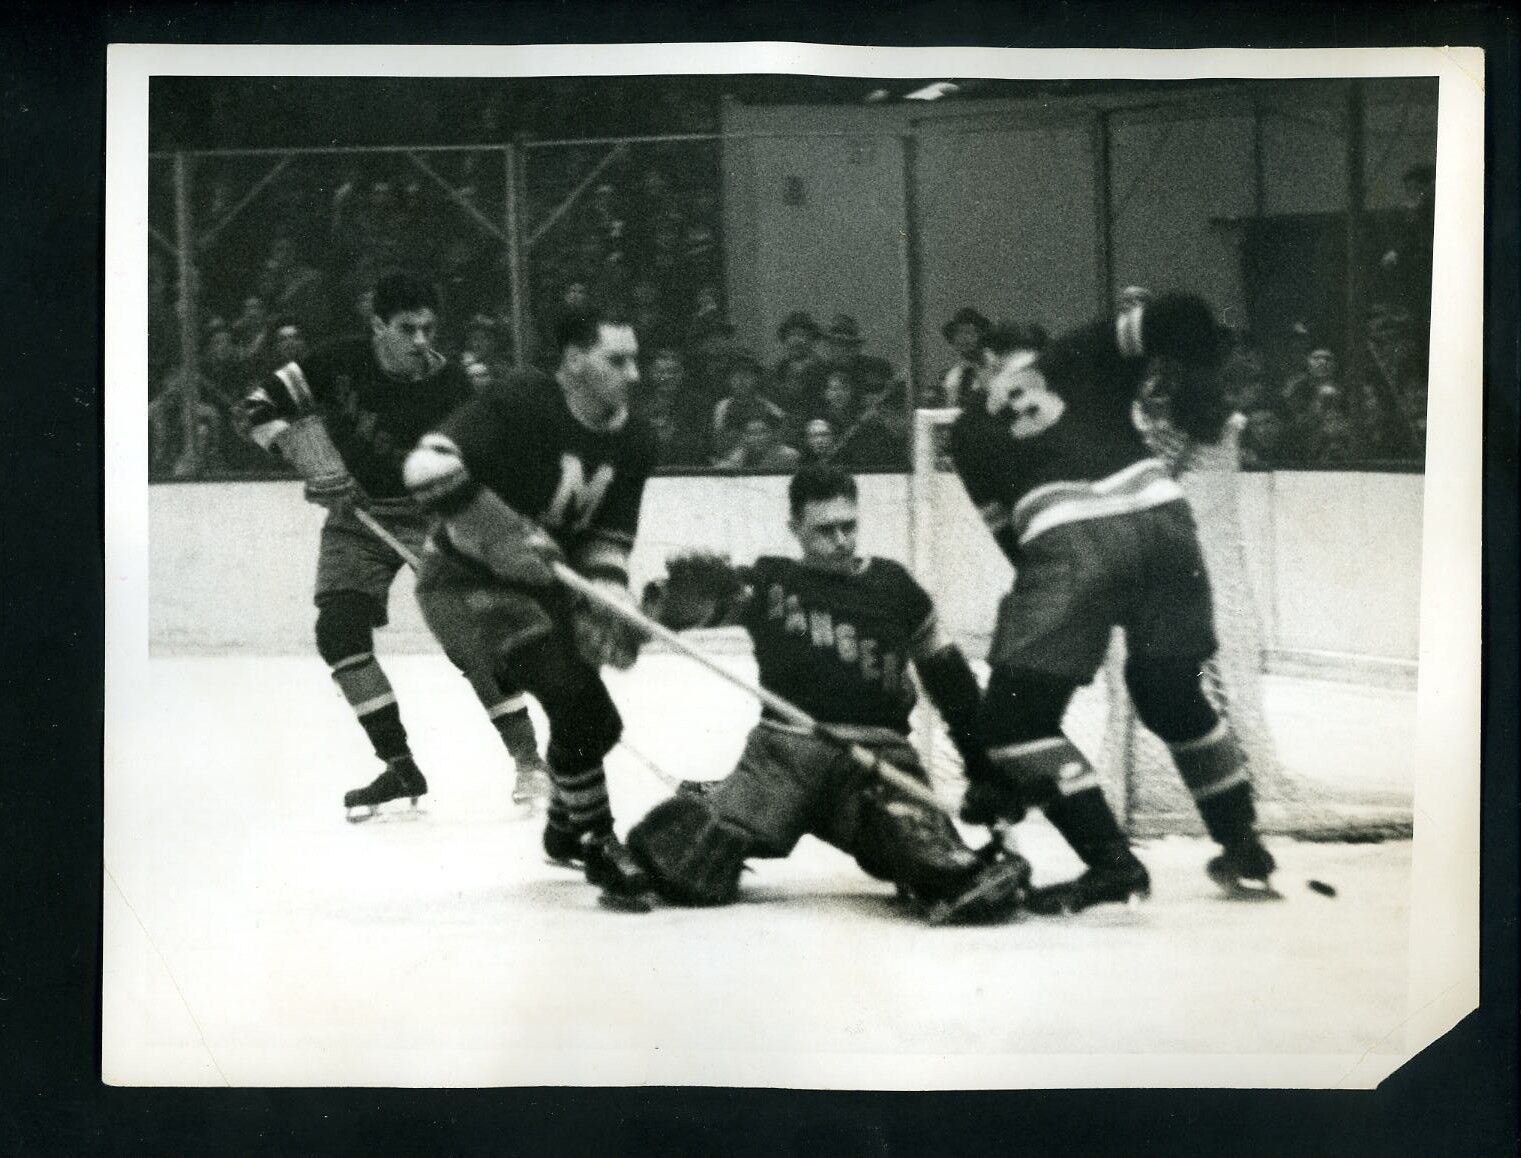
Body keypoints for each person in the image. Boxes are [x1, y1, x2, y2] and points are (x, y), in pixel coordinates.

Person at [947, 295, 1277, 912]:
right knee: (1169, 692)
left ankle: (1112, 862)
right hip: (1164, 519)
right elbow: (1182, 313)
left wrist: (1072, 621)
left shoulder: (967, 429)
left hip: (1068, 540)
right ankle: (1243, 844)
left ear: (991, 358)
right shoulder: (1079, 350)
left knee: (1014, 725)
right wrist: (1199, 384)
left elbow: (1013, 540)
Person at [627, 467, 1030, 923]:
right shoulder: (768, 581)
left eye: (849, 526)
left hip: (879, 758)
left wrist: (983, 767)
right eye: (824, 530)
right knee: (691, 853)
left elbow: (951, 682)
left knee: (918, 843)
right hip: (785, 754)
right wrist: (669, 602)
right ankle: (710, 807)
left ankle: (945, 872)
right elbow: (665, 620)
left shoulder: (896, 587)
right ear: (794, 529)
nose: (841, 540)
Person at [235, 272, 552, 818]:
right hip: (357, 517)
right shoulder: (334, 362)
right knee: (338, 631)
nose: (422, 341)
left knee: (472, 637)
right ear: (378, 326)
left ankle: (529, 762)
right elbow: (256, 408)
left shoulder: (451, 386)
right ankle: (399, 765)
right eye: (408, 329)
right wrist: (309, 457)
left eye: (429, 328)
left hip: (434, 518)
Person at [401, 304, 657, 905]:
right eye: (616, 360)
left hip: (545, 589)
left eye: (635, 359)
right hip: (465, 586)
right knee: (577, 703)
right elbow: (426, 466)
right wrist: (501, 534)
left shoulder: (637, 440)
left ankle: (566, 828)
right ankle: (596, 842)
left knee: (599, 724)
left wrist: (612, 596)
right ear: (571, 361)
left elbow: (608, 538)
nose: (635, 374)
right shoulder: (521, 402)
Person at [930, 307, 991, 408]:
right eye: (959, 334)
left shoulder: (995, 365)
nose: (964, 339)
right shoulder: (953, 376)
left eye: (969, 333)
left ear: (981, 335)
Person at [770, 310, 826, 414]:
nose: (796, 340)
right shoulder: (778, 369)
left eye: (802, 335)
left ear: (811, 340)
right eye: (792, 335)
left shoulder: (822, 369)